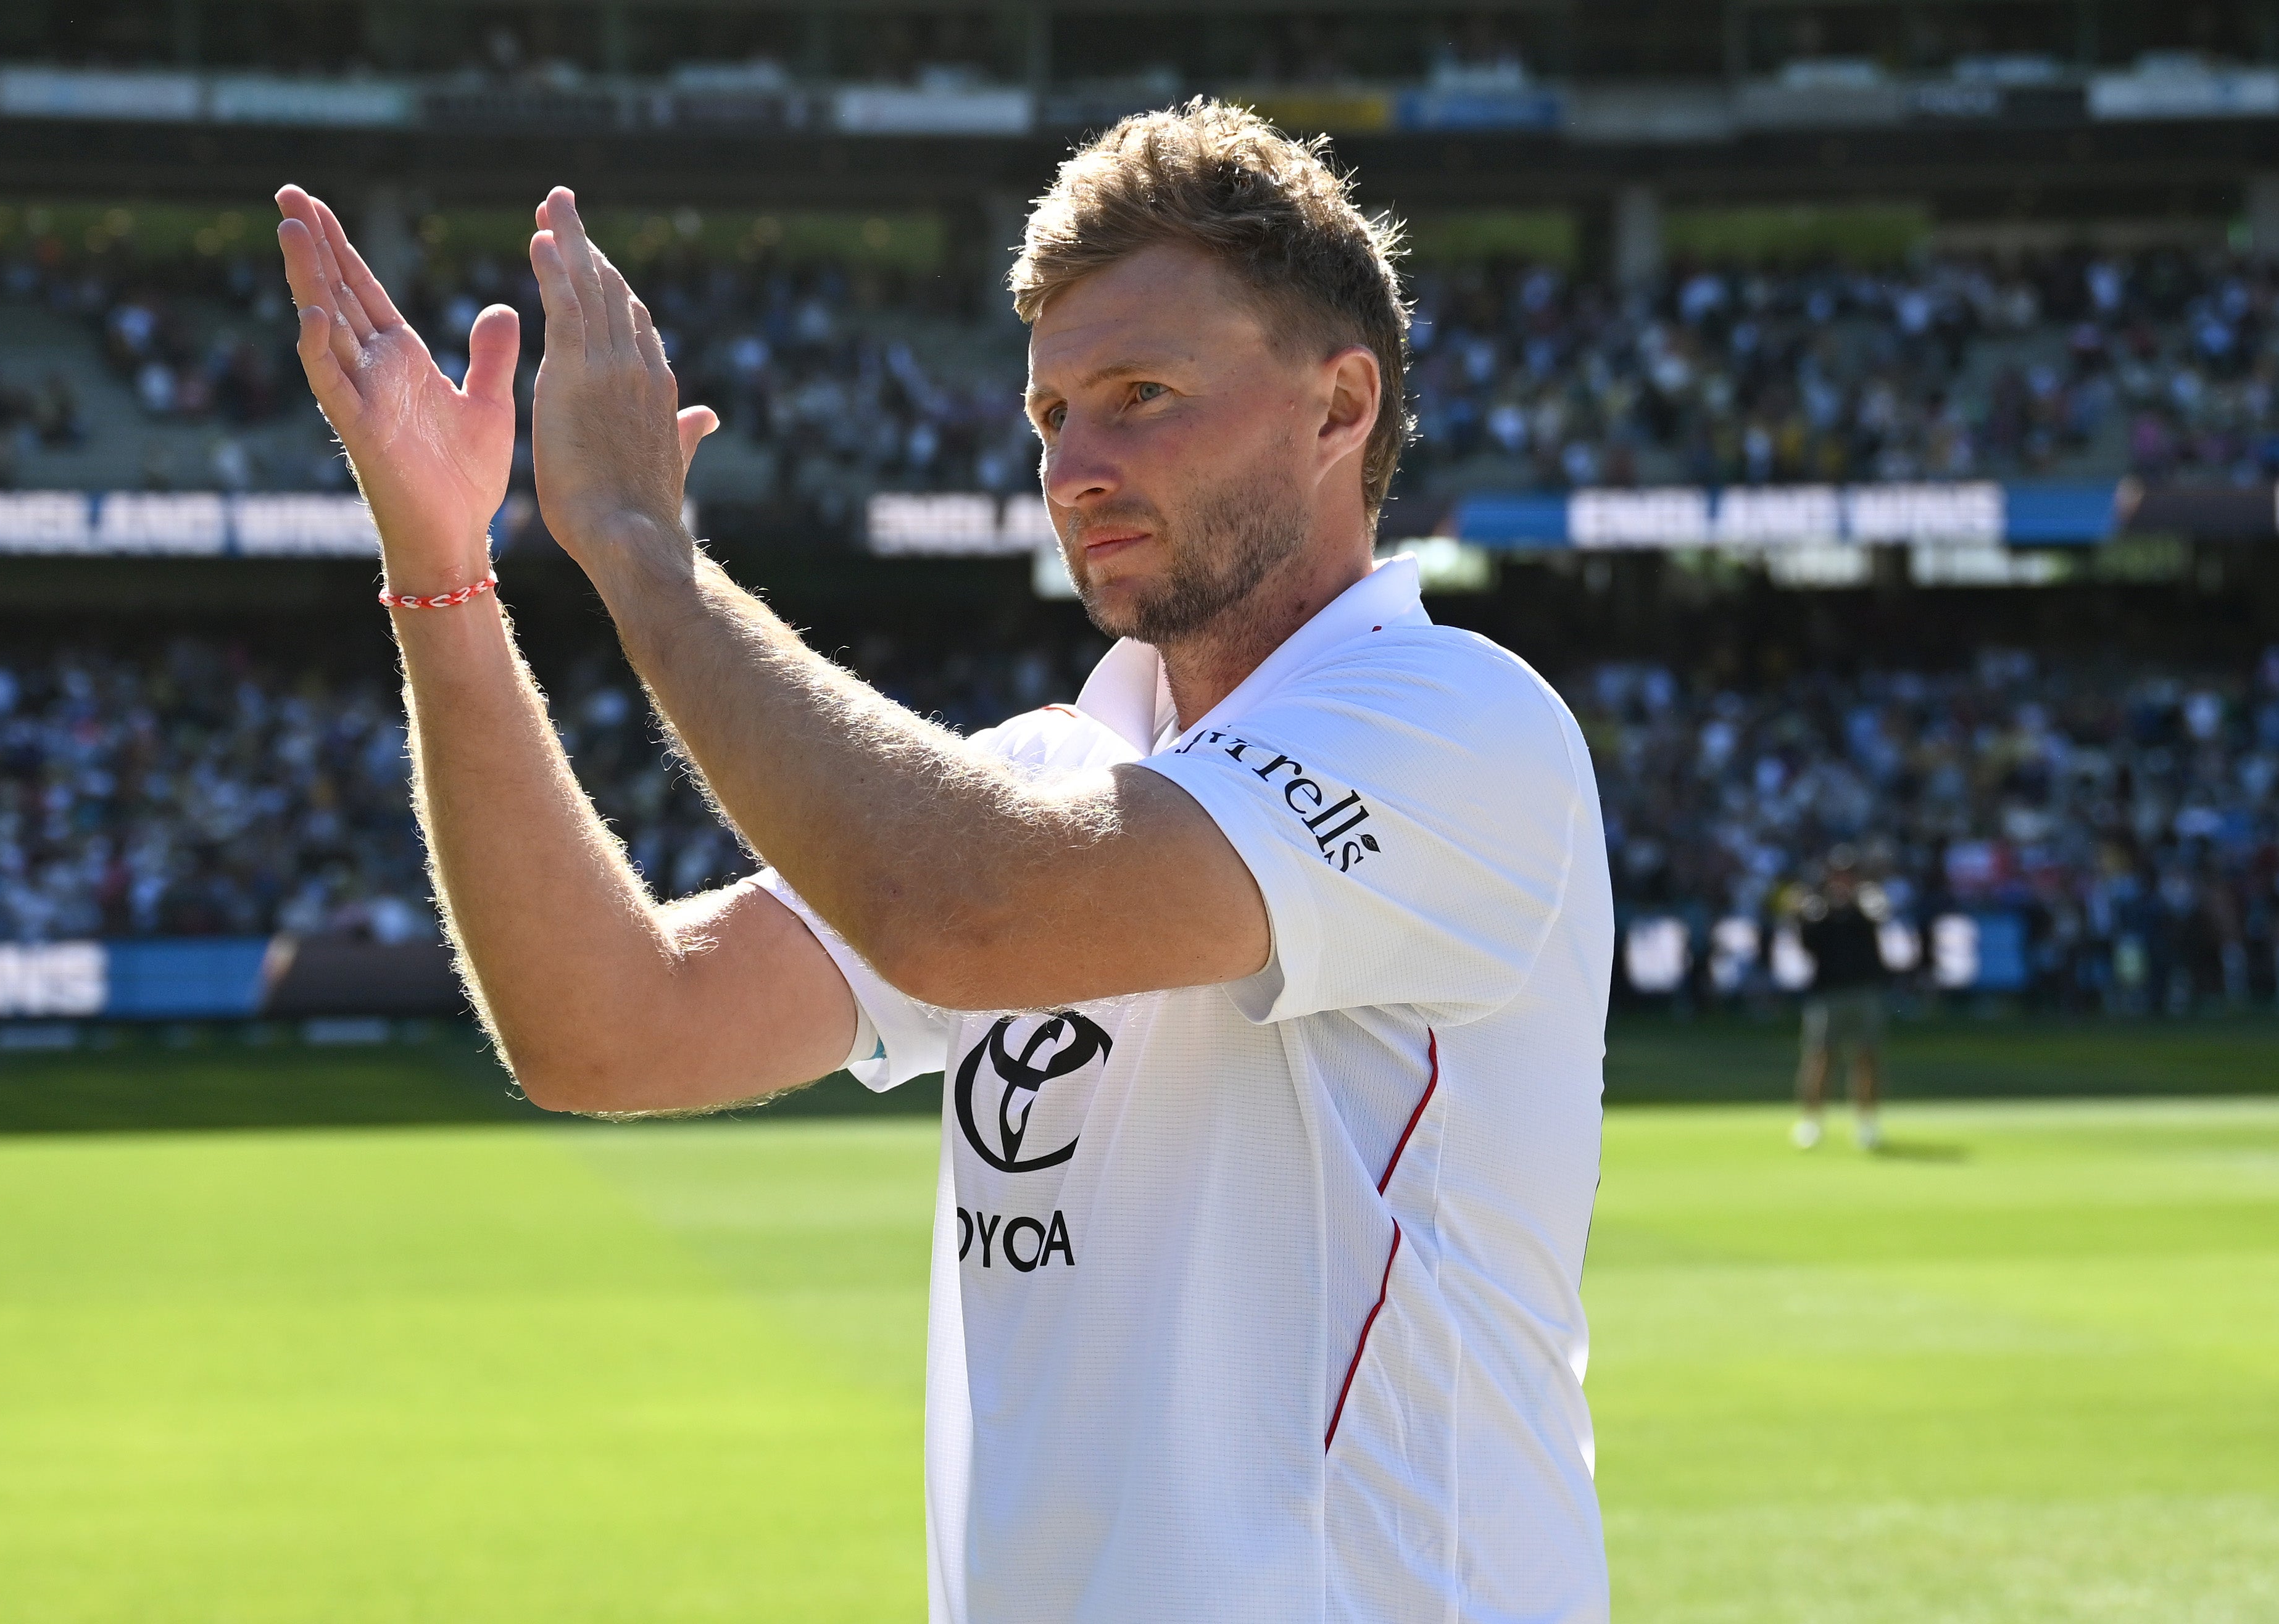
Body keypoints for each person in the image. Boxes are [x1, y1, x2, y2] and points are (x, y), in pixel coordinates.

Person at [276, 99, 1612, 1623]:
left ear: (1338, 405)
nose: (1077, 466)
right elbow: (608, 1028)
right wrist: (446, 573)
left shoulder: (1460, 726)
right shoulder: (1049, 778)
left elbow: (963, 913)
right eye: (1051, 417)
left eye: (1142, 394)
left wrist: (646, 550)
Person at [1792, 848, 1891, 1151]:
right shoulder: (1817, 907)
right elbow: (1808, 944)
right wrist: (1804, 913)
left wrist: (1857, 904)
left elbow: (1877, 920)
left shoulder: (1868, 902)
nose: (1843, 880)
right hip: (1827, 993)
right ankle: (1812, 1121)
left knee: (1866, 1057)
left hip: (1863, 989)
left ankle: (1867, 1122)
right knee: (1820, 1057)